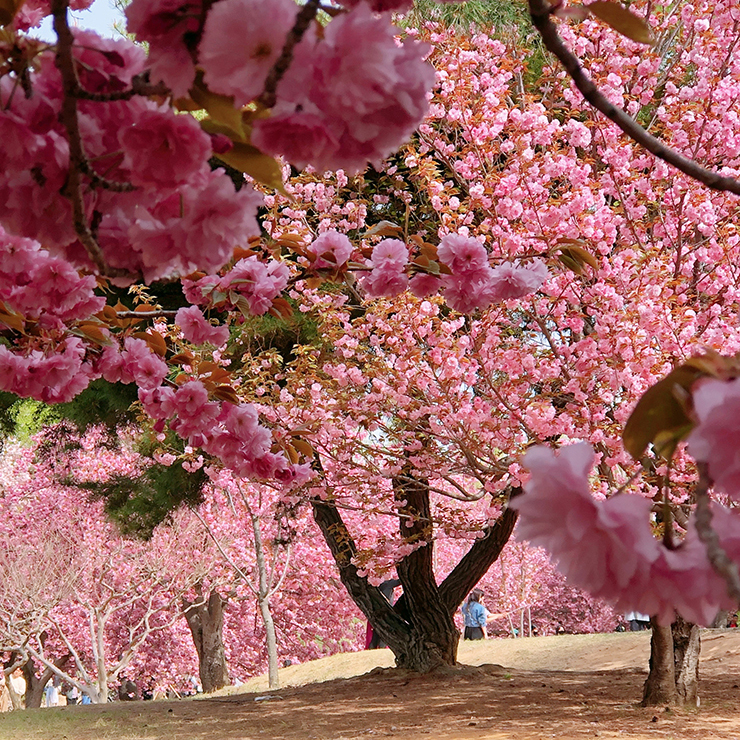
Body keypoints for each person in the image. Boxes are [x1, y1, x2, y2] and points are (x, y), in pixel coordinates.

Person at [367, 578, 402, 650]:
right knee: (385, 631)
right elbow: (399, 581)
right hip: (385, 611)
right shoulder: (387, 583)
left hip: (377, 612)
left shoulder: (376, 585)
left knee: (376, 632)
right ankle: (381, 647)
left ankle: (372, 647)